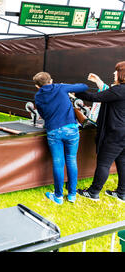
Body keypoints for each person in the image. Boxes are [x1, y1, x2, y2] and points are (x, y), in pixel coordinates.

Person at [33, 72, 88, 204]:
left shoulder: (38, 96)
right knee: (71, 160)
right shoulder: (60, 87)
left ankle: (58, 197)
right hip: (71, 129)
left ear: (37, 86)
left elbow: (43, 115)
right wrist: (65, 86)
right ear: (51, 80)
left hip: (53, 131)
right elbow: (84, 86)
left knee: (58, 163)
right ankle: (72, 195)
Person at [75, 61, 125, 202]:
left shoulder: (119, 90)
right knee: (123, 162)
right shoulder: (118, 91)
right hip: (123, 134)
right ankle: (122, 193)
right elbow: (106, 94)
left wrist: (76, 91)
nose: (114, 73)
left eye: (116, 71)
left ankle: (93, 192)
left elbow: (95, 97)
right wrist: (98, 81)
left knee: (104, 163)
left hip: (115, 134)